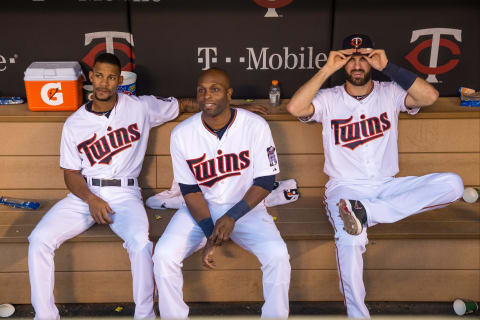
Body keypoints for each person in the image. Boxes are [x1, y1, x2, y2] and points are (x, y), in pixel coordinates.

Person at [27, 53, 266, 320]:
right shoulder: (74, 123)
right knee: (38, 239)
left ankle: (145, 315)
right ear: (91, 78)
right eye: (99, 76)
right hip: (84, 195)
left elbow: (188, 104)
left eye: (111, 77)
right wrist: (90, 199)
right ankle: (45, 315)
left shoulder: (140, 106)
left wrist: (237, 111)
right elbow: (71, 174)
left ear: (119, 80)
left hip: (124, 194)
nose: (104, 83)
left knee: (141, 244)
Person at [286, 34, 464, 318]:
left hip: (386, 186)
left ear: (373, 61)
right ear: (343, 64)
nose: (357, 64)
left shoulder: (390, 90)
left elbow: (429, 96)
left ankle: (367, 212)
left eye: (363, 57)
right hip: (345, 191)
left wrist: (388, 65)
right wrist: (327, 69)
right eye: (350, 58)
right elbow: (295, 108)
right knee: (351, 239)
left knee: (453, 184)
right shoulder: (329, 98)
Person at [152, 68, 291, 319]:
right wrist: (209, 234)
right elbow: (190, 191)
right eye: (201, 90)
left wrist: (232, 217)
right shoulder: (182, 134)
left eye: (215, 89)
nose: (207, 95)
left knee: (278, 256)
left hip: (247, 208)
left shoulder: (254, 126)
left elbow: (266, 180)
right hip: (200, 208)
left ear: (229, 94)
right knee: (163, 255)